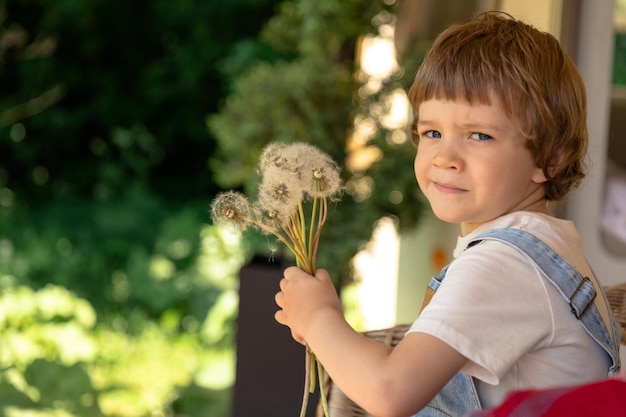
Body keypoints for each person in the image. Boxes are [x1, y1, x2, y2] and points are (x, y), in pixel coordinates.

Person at [274, 12, 622, 417]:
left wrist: (319, 319)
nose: (445, 157)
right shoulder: (541, 247)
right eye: (432, 133)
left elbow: (389, 393)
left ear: (551, 158)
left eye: (479, 135)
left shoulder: (503, 264)